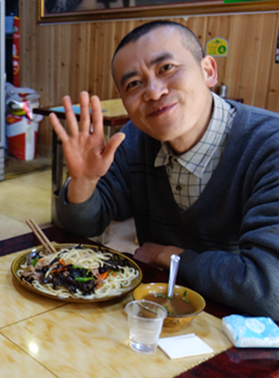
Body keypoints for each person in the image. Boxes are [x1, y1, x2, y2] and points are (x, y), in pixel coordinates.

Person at [51, 20, 279, 320]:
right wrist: (84, 181)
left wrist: (170, 256)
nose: (154, 92)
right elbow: (81, 228)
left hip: (241, 338)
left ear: (208, 71)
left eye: (166, 68)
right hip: (157, 317)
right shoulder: (135, 139)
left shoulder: (269, 147)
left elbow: (268, 290)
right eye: (134, 84)